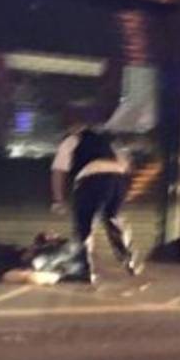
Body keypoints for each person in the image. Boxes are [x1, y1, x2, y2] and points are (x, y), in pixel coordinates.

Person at [50, 117, 139, 281]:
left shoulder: (71, 140)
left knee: (84, 224)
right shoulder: (108, 141)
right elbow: (128, 165)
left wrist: (58, 200)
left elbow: (58, 171)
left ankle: (85, 268)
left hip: (91, 178)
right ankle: (128, 257)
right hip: (117, 177)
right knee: (113, 218)